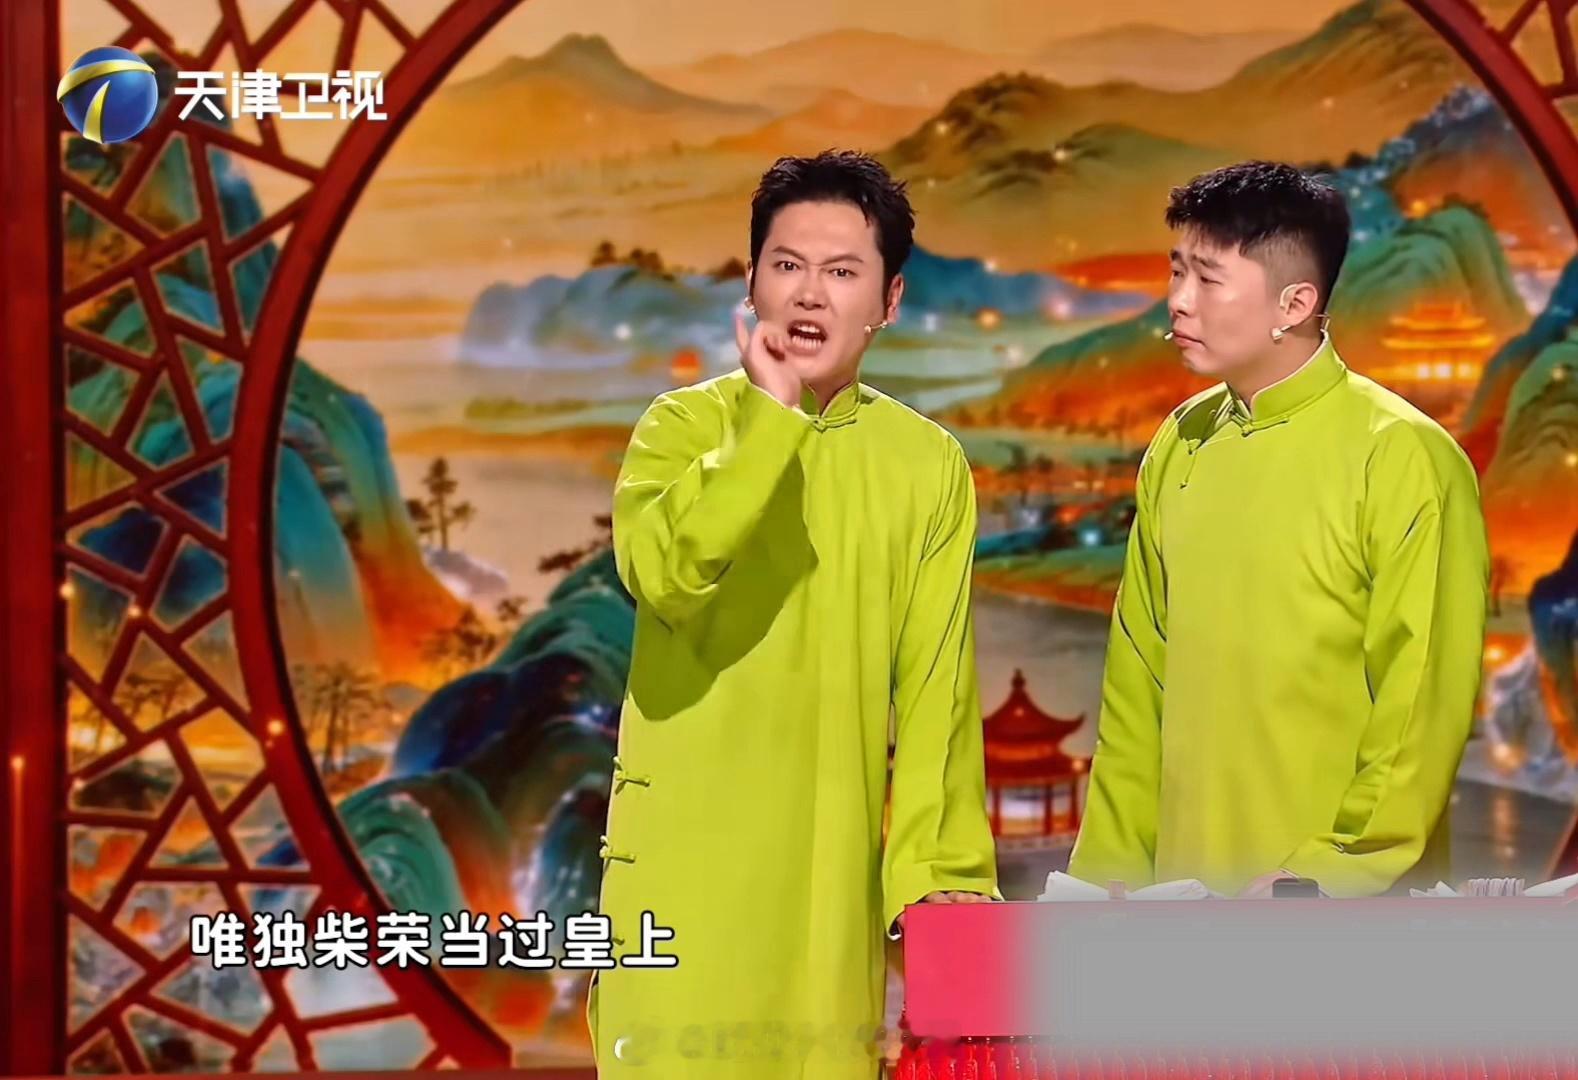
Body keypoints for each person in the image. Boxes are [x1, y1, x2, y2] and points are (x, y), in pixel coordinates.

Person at [587, 150, 1000, 1078]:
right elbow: (666, 575)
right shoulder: (680, 430)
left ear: (889, 299)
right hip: (681, 880)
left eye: (842, 271)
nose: (810, 293)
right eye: (787, 265)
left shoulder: (927, 466)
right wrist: (768, 424)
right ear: (751, 283)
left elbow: (936, 696)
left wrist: (943, 891)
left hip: (827, 883)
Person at [1068, 161, 1490, 900]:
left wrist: (1326, 874)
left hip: (1335, 908)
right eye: (1176, 272)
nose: (1179, 301)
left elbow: (1421, 706)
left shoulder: (1403, 455)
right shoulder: (1181, 442)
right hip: (1180, 901)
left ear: (1295, 303)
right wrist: (1104, 885)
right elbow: (1137, 690)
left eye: (1208, 279)